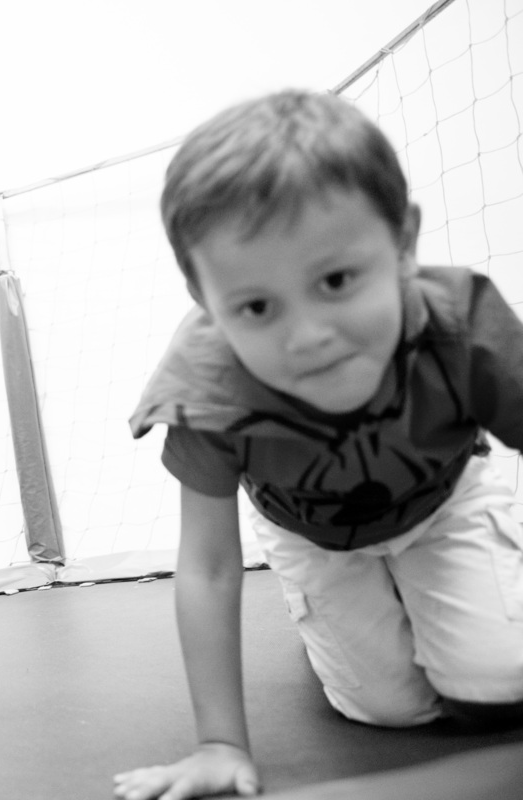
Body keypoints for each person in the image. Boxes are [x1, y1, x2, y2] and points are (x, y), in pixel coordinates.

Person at [116, 89, 523, 799]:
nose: (306, 337)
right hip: (313, 533)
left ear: (403, 243)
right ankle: (327, 614)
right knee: (389, 709)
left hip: (444, 499)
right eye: (256, 306)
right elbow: (209, 565)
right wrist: (220, 744)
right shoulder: (208, 388)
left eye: (336, 280)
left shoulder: (460, 325)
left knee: (502, 679)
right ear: (205, 297)